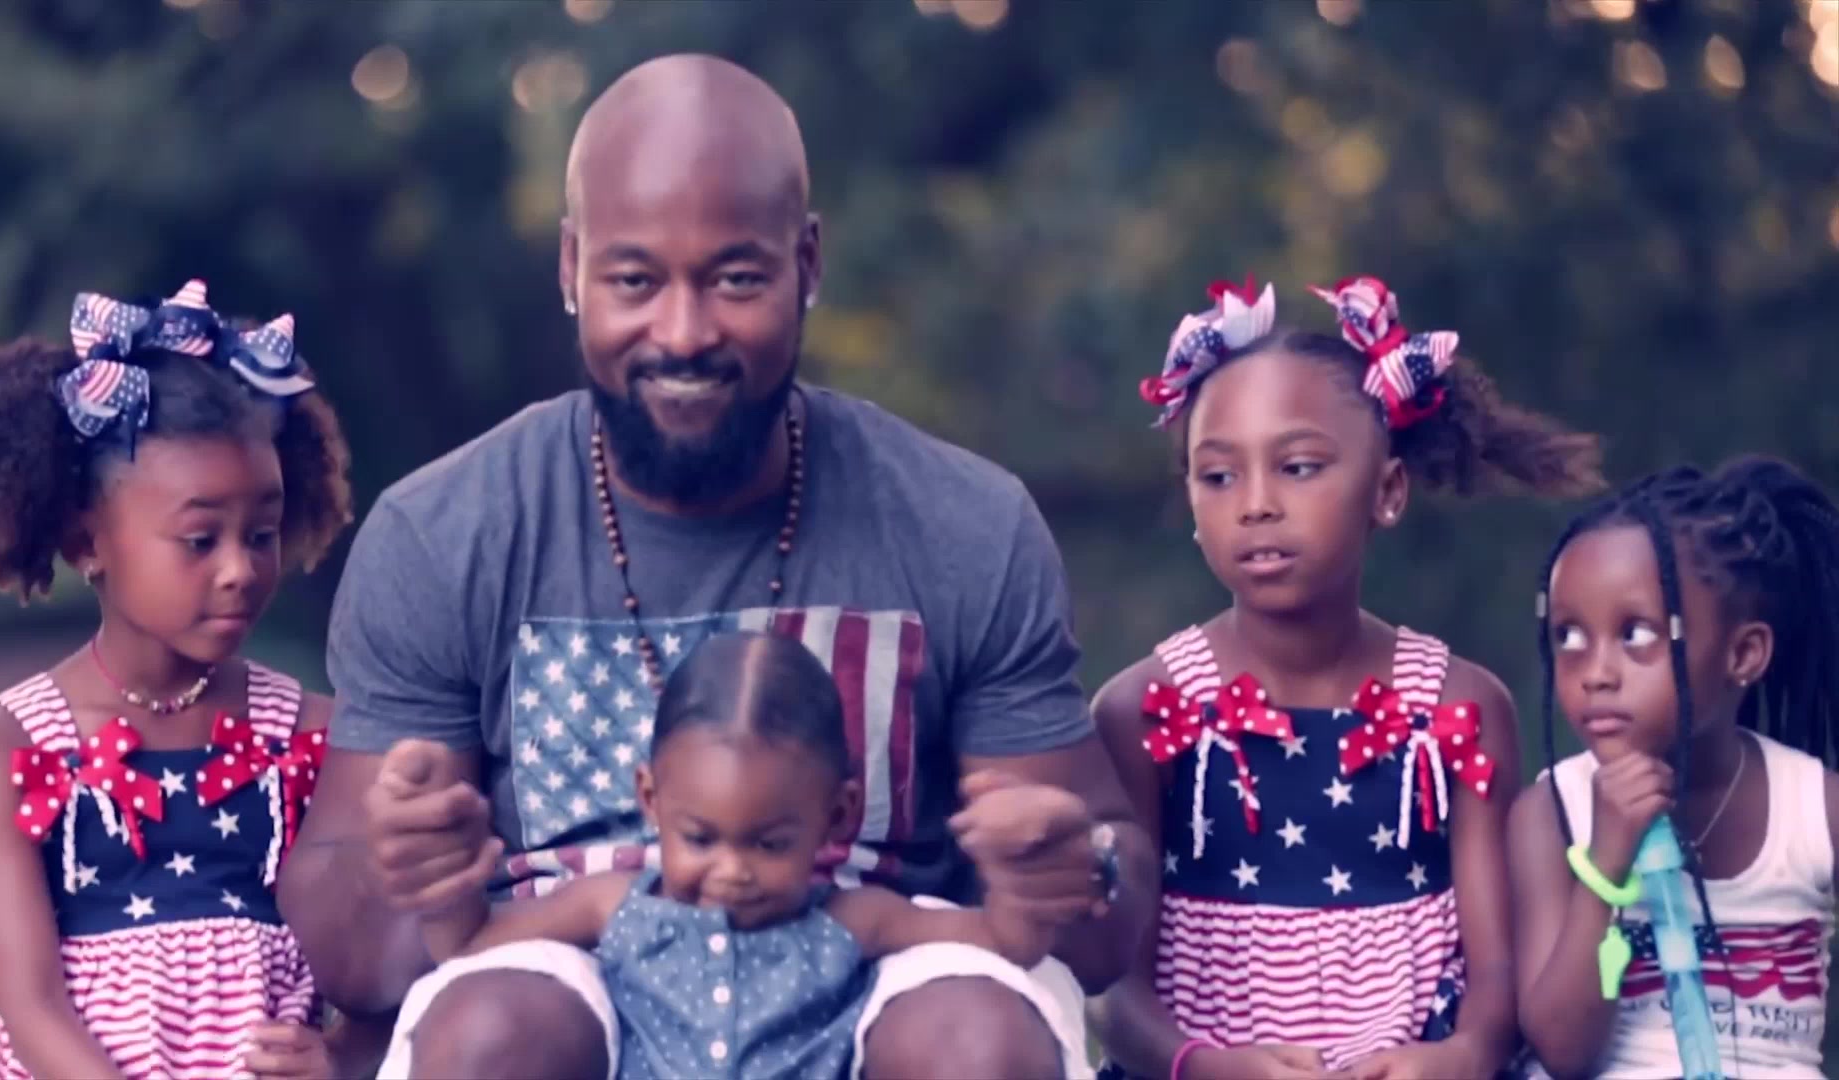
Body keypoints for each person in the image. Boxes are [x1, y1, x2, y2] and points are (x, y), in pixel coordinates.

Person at [278, 53, 1151, 1080]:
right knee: (488, 1033)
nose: (685, 332)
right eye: (635, 280)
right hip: (562, 972)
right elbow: (353, 943)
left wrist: (1071, 867)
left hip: (883, 971)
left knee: (977, 1039)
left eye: (736, 278)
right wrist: (412, 873)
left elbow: (1107, 908)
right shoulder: (446, 532)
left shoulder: (964, 523)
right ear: (571, 270)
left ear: (807, 263)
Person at [1088, 276, 1606, 1079]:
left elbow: (1499, 968)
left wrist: (1465, 1053)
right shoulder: (1144, 709)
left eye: (1297, 467)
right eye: (1218, 476)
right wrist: (1203, 1066)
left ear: (1388, 491)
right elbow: (1110, 982)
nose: (1256, 505)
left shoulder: (1458, 707)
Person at [0, 281, 360, 1079]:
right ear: (86, 541)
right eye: (200, 539)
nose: (240, 569)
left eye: (262, 533)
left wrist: (342, 1058)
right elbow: (31, 1008)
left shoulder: (312, 738)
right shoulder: (8, 750)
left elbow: (380, 967)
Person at [400, 630, 1089, 1079]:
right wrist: (443, 881)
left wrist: (1020, 875)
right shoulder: (614, 904)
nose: (731, 871)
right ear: (651, 800)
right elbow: (470, 944)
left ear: (836, 815)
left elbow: (1004, 943)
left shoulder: (852, 919)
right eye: (700, 839)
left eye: (770, 843)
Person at [1510, 457, 1837, 1079]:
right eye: (1569, 637)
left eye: (1635, 634)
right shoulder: (1552, 815)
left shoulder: (1815, 810)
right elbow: (1562, 1052)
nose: (1596, 673)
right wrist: (1606, 868)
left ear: (1744, 653)